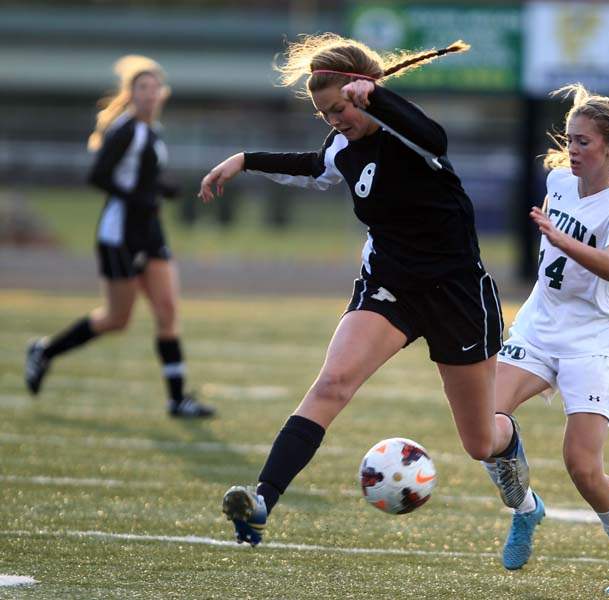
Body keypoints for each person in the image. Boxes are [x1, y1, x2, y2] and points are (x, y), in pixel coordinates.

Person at [198, 34, 513, 546]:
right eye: (324, 113)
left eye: (340, 107)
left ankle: (510, 448)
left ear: (363, 90)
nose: (334, 120)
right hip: (390, 284)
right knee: (332, 383)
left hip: (456, 292)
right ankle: (262, 502)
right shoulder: (343, 144)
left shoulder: (401, 130)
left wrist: (379, 99)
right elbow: (317, 168)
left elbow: (434, 139)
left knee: (481, 441)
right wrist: (245, 159)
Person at [481, 84, 609, 595]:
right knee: (483, 427)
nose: (573, 150)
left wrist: (562, 239)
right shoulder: (559, 182)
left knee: (583, 468)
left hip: (591, 342)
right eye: (571, 139)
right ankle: (525, 508)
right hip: (539, 328)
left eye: (584, 142)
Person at [24, 55, 214, 418]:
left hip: (149, 230)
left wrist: (162, 187)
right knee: (117, 319)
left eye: (155, 87)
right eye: (142, 88)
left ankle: (177, 399)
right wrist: (140, 195)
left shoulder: (151, 131)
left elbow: (140, 177)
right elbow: (98, 175)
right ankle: (44, 352)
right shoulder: (126, 129)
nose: (149, 93)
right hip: (120, 233)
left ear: (163, 94)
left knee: (168, 311)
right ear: (131, 94)